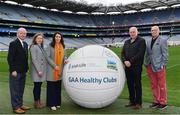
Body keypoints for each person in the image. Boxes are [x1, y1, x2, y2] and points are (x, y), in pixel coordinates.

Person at [121, 27, 146, 109]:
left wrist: (130, 62)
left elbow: (140, 54)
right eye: (131, 32)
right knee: (130, 85)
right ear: (129, 33)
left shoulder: (141, 41)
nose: (132, 33)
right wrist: (125, 61)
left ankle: (138, 103)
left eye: (133, 32)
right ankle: (132, 101)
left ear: (137, 32)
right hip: (127, 67)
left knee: (137, 85)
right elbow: (122, 53)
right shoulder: (126, 42)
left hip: (136, 67)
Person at [144, 26, 168, 110]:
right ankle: (156, 101)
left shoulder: (163, 40)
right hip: (150, 66)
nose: (153, 31)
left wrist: (163, 64)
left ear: (158, 31)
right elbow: (147, 54)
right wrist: (146, 63)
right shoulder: (148, 41)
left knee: (161, 85)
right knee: (153, 85)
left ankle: (163, 102)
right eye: (152, 30)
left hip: (159, 66)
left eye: (155, 30)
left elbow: (165, 54)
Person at [7, 27, 30, 114]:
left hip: (23, 71)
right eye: (21, 33)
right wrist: (13, 70)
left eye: (24, 33)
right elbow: (10, 58)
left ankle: (20, 104)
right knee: (15, 90)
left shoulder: (25, 44)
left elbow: (25, 58)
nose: (23, 35)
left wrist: (26, 69)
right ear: (17, 34)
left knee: (21, 89)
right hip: (15, 72)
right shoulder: (13, 43)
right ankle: (16, 107)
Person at [46, 32, 65, 111]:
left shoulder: (62, 46)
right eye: (56, 37)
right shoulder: (50, 46)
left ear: (61, 38)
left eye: (59, 37)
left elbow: (64, 56)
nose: (58, 38)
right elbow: (47, 57)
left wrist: (66, 60)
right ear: (54, 38)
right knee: (51, 88)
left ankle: (57, 102)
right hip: (52, 70)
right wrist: (54, 66)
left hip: (60, 70)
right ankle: (51, 104)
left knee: (58, 88)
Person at [29, 33, 46, 109]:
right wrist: (39, 70)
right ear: (35, 39)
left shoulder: (41, 47)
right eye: (38, 38)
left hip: (40, 70)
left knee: (39, 86)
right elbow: (34, 59)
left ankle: (38, 100)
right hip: (37, 70)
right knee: (37, 86)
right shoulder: (33, 47)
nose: (40, 40)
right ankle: (36, 102)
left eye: (41, 38)